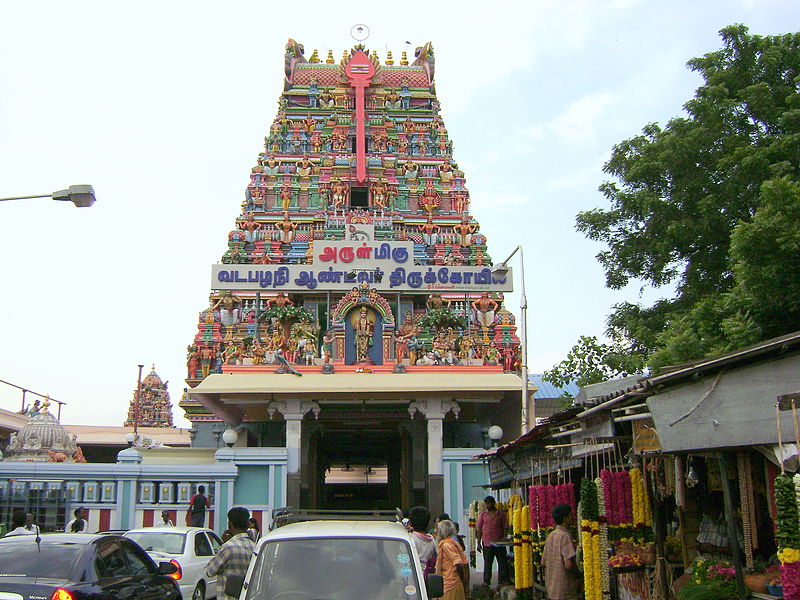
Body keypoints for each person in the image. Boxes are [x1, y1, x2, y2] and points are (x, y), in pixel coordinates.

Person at [206, 507, 256, 600]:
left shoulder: (227, 548)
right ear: (247, 524)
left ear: (230, 525)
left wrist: (223, 544)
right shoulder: (255, 547)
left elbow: (210, 571)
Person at [542, 504, 579, 600]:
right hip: (565, 590)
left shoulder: (551, 536)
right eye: (570, 515)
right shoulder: (565, 536)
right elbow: (568, 565)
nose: (573, 518)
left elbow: (543, 562)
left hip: (552, 589)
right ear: (565, 518)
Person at [476, 495, 510, 588]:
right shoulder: (483, 515)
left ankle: (502, 581)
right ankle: (486, 581)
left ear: (493, 503)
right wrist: (478, 543)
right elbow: (479, 529)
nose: (488, 505)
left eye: (490, 503)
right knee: (487, 563)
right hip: (487, 543)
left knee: (502, 562)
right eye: (486, 503)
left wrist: (504, 537)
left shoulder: (501, 514)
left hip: (499, 542)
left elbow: (506, 527)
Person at [435, 520, 470, 600]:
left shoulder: (446, 545)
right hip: (451, 583)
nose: (436, 532)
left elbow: (458, 563)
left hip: (450, 584)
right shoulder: (452, 543)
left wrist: (462, 579)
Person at [409, 506, 437, 576]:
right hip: (426, 574)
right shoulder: (432, 540)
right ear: (428, 523)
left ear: (410, 523)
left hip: (413, 575)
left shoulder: (410, 539)